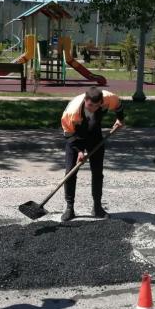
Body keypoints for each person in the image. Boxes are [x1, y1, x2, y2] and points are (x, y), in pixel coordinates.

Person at [60, 87, 125, 222]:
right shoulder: (72, 112)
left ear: (101, 102)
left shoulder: (108, 98)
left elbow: (118, 105)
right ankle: (69, 208)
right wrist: (79, 151)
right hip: (75, 136)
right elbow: (68, 134)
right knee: (70, 172)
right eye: (90, 105)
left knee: (97, 172)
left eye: (97, 106)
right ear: (85, 100)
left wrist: (120, 119)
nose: (93, 109)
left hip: (95, 136)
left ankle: (97, 207)